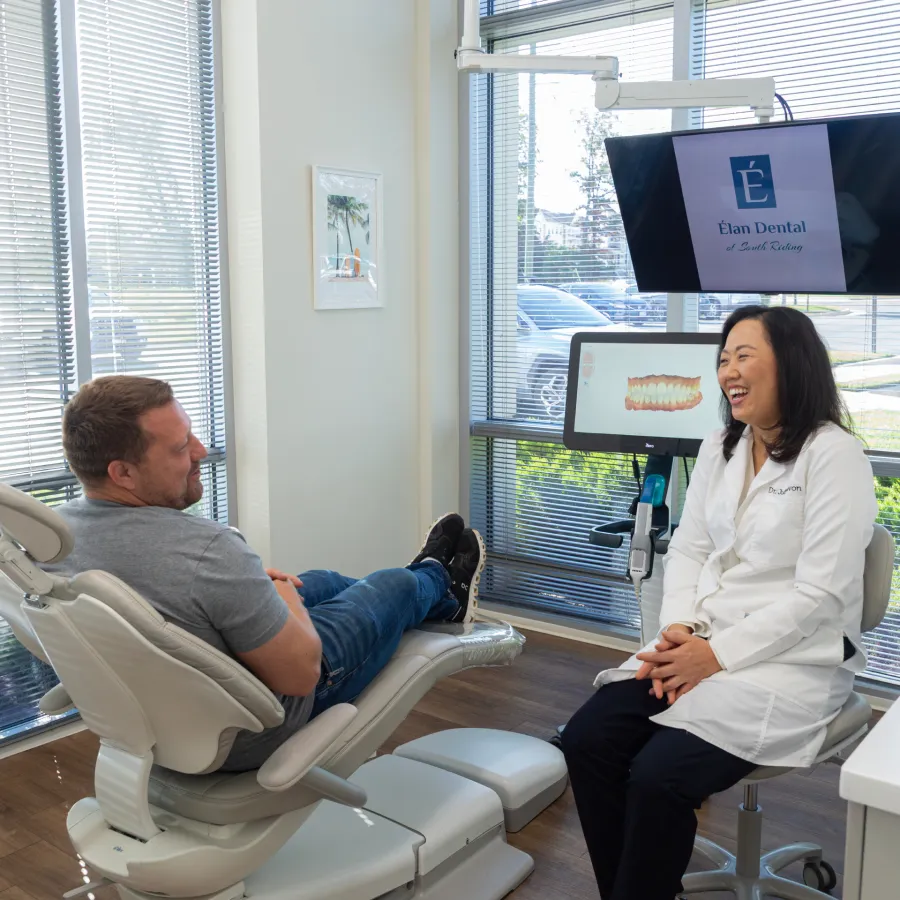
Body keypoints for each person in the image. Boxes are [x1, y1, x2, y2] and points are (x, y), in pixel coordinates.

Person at [561, 306, 878, 900]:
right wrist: (679, 631)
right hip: (698, 640)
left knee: (658, 776)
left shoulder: (833, 454)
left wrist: (715, 656)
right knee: (588, 741)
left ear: (792, 364)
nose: (728, 369)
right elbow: (688, 549)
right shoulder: (721, 444)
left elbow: (821, 593)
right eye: (724, 357)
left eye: (744, 355)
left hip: (791, 661)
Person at [46, 375, 486, 773]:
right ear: (122, 472)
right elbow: (299, 677)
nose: (200, 450)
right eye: (180, 447)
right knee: (394, 585)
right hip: (254, 725)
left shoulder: (56, 539)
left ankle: (438, 603)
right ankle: (436, 579)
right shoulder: (207, 549)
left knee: (325, 581)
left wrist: (257, 587)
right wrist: (283, 597)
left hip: (170, 712)